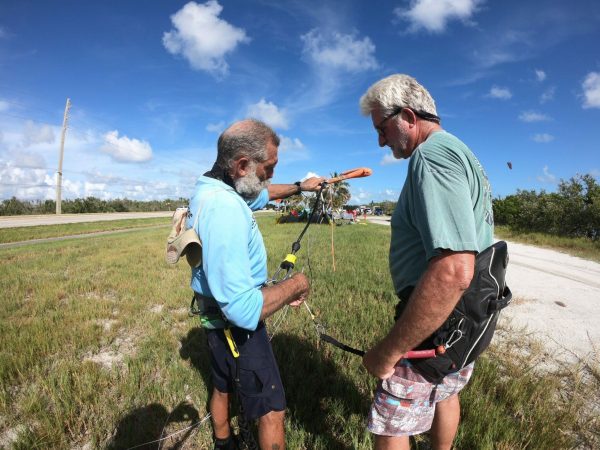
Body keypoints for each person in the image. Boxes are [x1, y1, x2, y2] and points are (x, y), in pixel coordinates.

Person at [359, 74, 494, 450]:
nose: (381, 140)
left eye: (382, 129)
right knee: (445, 392)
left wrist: (389, 351)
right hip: (465, 317)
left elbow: (453, 270)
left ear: (408, 116)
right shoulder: (461, 152)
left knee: (392, 421)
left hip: (435, 317)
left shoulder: (431, 156)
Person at [187, 119, 325, 450]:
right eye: (269, 168)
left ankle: (224, 443)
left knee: (222, 385)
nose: (271, 177)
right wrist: (297, 285)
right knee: (272, 411)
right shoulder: (224, 208)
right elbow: (245, 310)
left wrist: (300, 187)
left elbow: (261, 195)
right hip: (236, 328)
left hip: (212, 318)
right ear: (243, 165)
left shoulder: (215, 188)